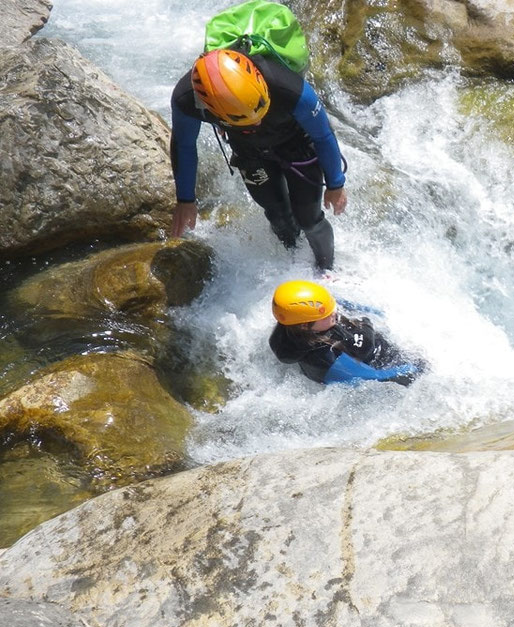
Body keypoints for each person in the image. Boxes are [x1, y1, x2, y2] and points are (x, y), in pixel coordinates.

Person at [168, 48, 347, 270]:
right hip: (250, 153)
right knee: (278, 216)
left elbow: (323, 135)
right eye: (248, 121)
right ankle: (294, 263)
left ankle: (326, 270)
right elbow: (184, 145)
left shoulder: (287, 88)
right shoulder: (187, 100)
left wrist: (336, 183)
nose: (257, 123)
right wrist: (186, 200)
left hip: (296, 144)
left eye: (260, 111)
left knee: (309, 220)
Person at [269, 280, 424, 386]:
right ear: (304, 326)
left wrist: (385, 313)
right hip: (373, 364)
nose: (334, 312)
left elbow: (336, 307)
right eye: (326, 314)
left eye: (331, 305)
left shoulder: (292, 323)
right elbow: (377, 379)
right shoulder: (327, 359)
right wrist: (418, 369)